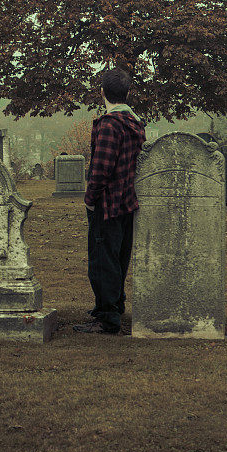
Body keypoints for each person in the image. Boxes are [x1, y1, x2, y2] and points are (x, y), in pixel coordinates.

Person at [73, 67, 146, 335]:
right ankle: (114, 305)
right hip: (127, 201)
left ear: (102, 92)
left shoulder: (109, 125)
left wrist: (90, 199)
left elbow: (102, 168)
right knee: (118, 258)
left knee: (102, 261)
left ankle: (107, 318)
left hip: (108, 204)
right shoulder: (136, 124)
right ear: (128, 93)